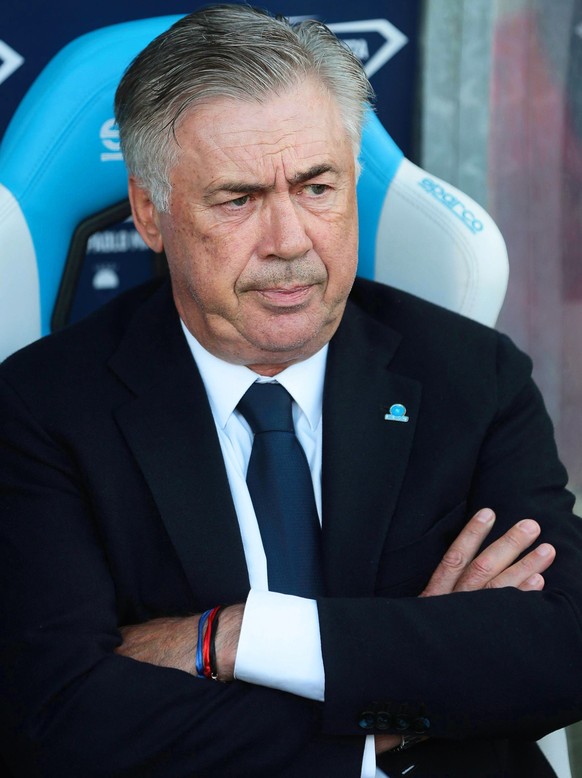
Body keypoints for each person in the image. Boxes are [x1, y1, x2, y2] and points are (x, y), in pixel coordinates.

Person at [1, 5, 581, 776]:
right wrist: (392, 701)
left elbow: (563, 646)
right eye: (238, 199)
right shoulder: (42, 409)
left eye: (316, 187)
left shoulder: (471, 376)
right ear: (151, 212)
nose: (290, 241)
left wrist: (235, 639)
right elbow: (59, 717)